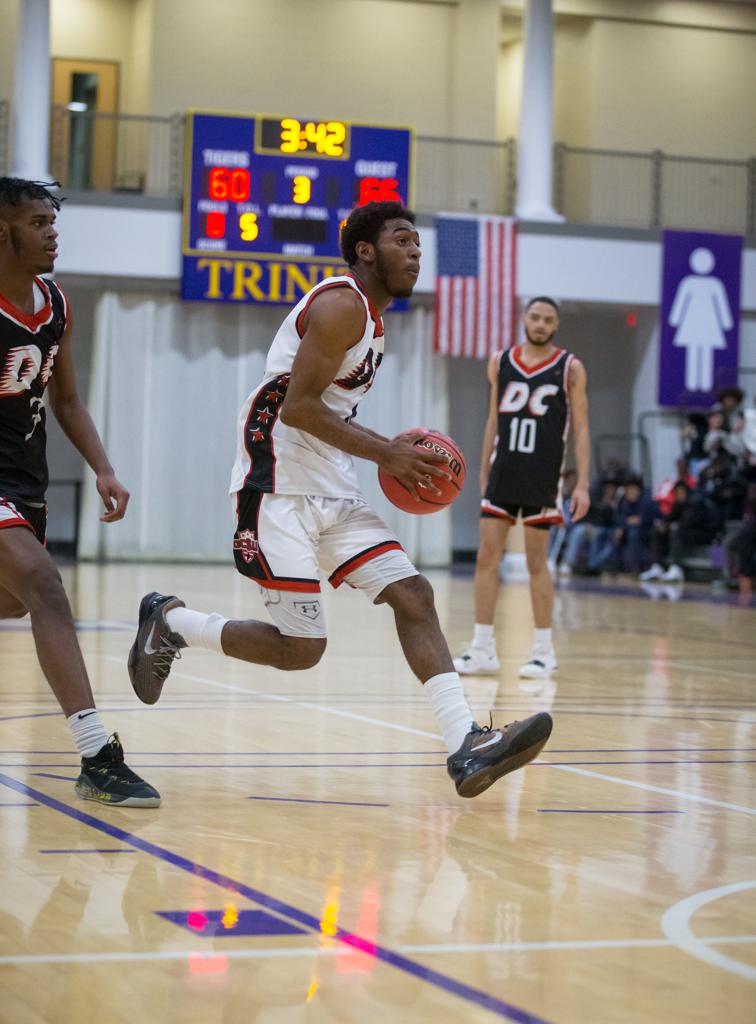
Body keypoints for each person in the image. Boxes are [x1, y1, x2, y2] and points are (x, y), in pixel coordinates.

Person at [126, 201, 552, 799]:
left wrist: (379, 453)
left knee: (413, 594)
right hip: (275, 481)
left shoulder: (373, 320)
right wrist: (390, 455)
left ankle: (465, 743)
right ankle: (170, 622)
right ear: (365, 250)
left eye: (418, 243)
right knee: (302, 651)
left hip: (331, 479)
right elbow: (296, 407)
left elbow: (325, 411)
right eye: (403, 240)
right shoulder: (340, 305)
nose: (416, 252)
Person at [0, 177, 159, 806]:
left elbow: (65, 398)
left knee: (15, 604)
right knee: (44, 585)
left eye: (52, 221)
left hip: (25, 479)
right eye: (38, 222)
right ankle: (97, 756)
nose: (52, 232)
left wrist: (104, 467)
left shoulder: (55, 304)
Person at [453, 297, 590, 679]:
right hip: (504, 471)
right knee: (486, 557)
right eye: (535, 317)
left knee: (535, 563)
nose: (541, 324)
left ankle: (544, 652)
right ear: (524, 319)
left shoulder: (570, 368)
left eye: (548, 320)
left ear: (556, 325)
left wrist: (583, 484)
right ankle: (482, 649)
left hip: (542, 476)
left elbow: (580, 428)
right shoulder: (500, 362)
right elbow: (493, 420)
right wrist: (483, 470)